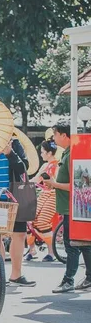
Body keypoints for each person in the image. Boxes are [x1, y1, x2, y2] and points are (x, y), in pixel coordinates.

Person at [0, 134, 36, 287]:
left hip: (15, 196)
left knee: (19, 234)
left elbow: (24, 169)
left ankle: (16, 274)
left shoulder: (15, 143)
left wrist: (10, 153)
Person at [48, 122, 91, 292]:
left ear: (64, 135)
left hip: (72, 207)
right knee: (84, 244)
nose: (53, 138)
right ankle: (89, 278)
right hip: (72, 207)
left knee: (71, 244)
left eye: (55, 134)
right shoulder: (67, 152)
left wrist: (55, 184)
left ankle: (68, 280)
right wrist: (55, 184)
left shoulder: (73, 153)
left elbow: (77, 184)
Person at [27, 139, 60, 261]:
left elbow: (57, 183)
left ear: (49, 153)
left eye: (42, 152)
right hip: (43, 195)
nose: (41, 154)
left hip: (53, 196)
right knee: (29, 219)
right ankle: (32, 249)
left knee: (42, 222)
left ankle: (51, 252)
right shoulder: (45, 166)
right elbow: (36, 179)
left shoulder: (58, 166)